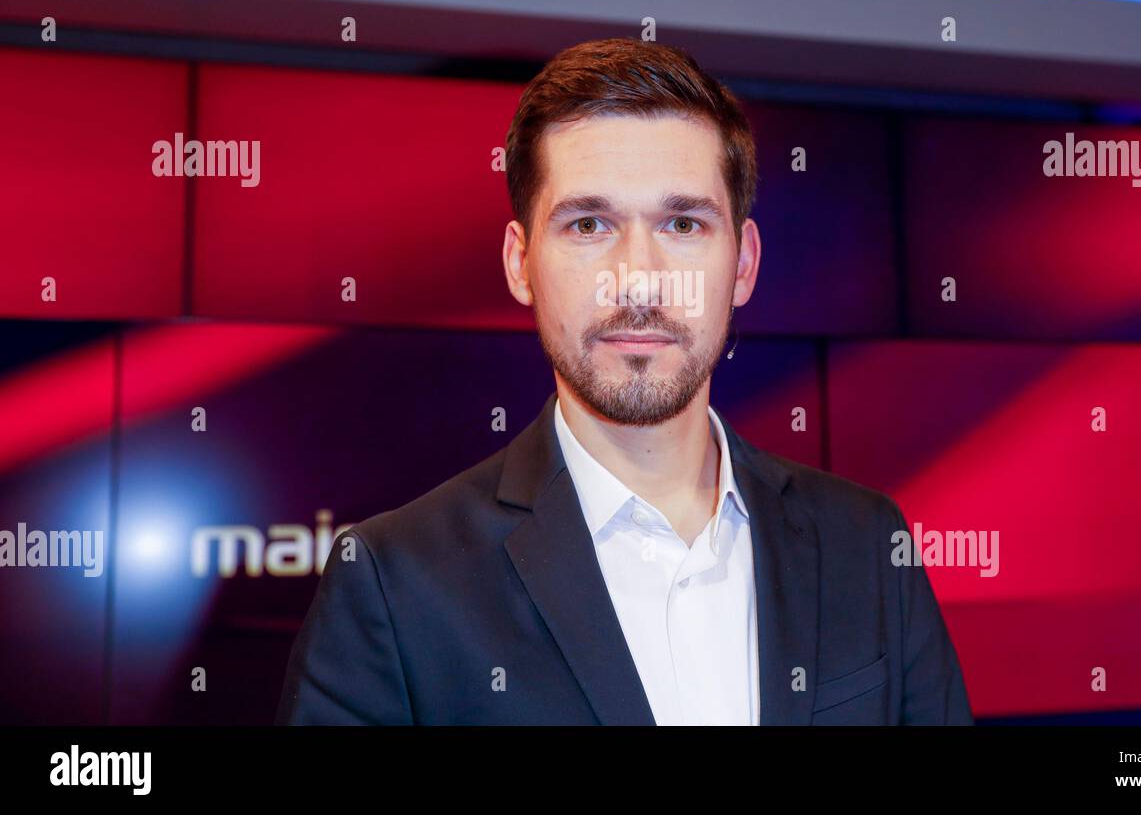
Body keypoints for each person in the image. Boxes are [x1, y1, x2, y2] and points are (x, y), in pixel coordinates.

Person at [276, 37, 973, 725]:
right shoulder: (395, 585)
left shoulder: (866, 545)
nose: (638, 278)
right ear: (521, 264)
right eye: (588, 223)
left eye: (682, 222)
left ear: (744, 264)